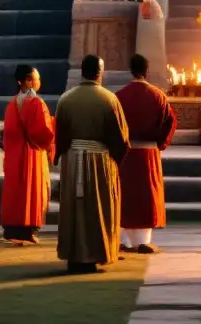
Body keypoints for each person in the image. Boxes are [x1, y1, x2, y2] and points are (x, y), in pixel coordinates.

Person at [54, 54, 130, 274]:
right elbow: (120, 138)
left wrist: (62, 156)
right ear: (100, 72)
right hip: (99, 161)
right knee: (97, 209)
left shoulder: (66, 99)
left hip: (72, 161)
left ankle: (74, 255)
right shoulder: (109, 99)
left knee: (74, 210)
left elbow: (59, 135)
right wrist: (115, 160)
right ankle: (96, 254)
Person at [116, 54, 178, 254]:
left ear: (131, 71)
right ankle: (143, 241)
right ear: (147, 71)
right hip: (148, 152)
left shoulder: (119, 96)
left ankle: (124, 240)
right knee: (146, 195)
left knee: (126, 194)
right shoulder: (157, 95)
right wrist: (160, 143)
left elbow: (112, 124)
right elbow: (170, 121)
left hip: (125, 152)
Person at [1, 64, 55, 245]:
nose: (39, 81)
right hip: (33, 154)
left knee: (15, 192)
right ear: (28, 81)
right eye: (36, 78)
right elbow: (44, 132)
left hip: (14, 155)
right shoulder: (36, 103)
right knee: (33, 192)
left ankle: (11, 230)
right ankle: (28, 231)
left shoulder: (11, 104)